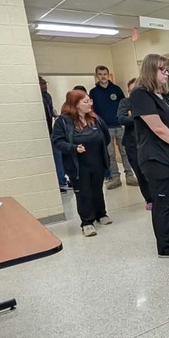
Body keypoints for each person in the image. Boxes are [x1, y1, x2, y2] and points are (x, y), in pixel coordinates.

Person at [130, 54, 169, 260]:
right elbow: (158, 128)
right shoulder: (141, 94)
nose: (167, 74)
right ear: (150, 70)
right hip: (156, 158)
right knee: (163, 204)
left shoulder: (165, 95)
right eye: (162, 70)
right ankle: (166, 248)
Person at [52, 89, 113, 237]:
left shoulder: (95, 119)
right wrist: (73, 148)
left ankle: (101, 214)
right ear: (75, 104)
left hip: (97, 161)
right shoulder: (63, 121)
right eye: (86, 101)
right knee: (83, 193)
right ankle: (87, 222)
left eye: (90, 100)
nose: (90, 104)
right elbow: (57, 142)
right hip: (78, 165)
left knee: (97, 189)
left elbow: (106, 137)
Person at [89, 65, 136, 190]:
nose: (103, 76)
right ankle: (115, 178)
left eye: (105, 74)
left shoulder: (116, 89)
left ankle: (130, 176)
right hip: (105, 128)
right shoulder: (93, 92)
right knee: (110, 154)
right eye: (100, 74)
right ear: (97, 75)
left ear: (108, 75)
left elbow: (125, 106)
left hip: (120, 125)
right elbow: (92, 110)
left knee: (125, 152)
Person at [117, 79, 153, 210]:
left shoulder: (147, 101)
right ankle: (149, 199)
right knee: (140, 172)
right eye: (132, 90)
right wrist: (139, 118)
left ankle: (158, 196)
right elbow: (121, 118)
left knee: (152, 171)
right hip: (132, 143)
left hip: (149, 142)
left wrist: (133, 116)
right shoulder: (125, 102)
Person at [39, 76, 68, 193]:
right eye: (41, 84)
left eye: (45, 83)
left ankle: (62, 181)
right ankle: (58, 182)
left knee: (58, 156)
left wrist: (57, 116)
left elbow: (51, 110)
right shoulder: (38, 98)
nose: (44, 86)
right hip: (41, 134)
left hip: (51, 131)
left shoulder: (47, 96)